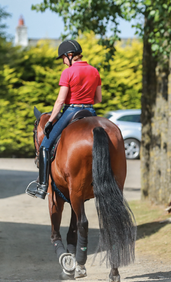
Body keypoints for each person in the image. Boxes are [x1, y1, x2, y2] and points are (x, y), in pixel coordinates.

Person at [27, 39, 102, 199]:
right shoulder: (94, 71)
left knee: (45, 146)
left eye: (62, 58)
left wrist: (49, 122)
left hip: (71, 110)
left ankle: (42, 186)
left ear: (69, 55)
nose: (63, 62)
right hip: (90, 110)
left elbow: (60, 101)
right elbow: (99, 98)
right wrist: (86, 102)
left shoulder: (68, 72)